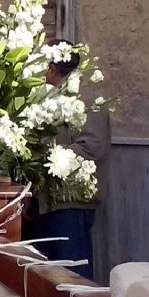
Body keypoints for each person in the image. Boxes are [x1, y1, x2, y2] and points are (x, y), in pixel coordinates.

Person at [26, 56, 110, 281]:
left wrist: (46, 158)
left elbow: (92, 147)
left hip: (71, 206)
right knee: (45, 282)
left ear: (52, 68)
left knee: (72, 280)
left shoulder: (88, 101)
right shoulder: (46, 99)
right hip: (44, 205)